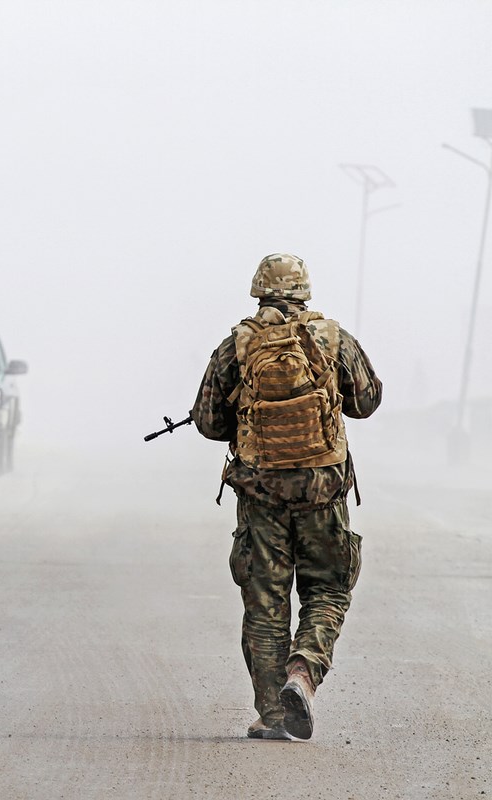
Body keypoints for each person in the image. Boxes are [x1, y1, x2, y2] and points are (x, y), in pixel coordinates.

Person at [192, 254, 382, 741]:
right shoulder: (333, 338)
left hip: (261, 491)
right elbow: (366, 402)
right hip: (323, 488)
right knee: (328, 589)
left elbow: (210, 422)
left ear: (258, 290)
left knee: (265, 601)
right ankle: (303, 673)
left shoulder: (237, 345)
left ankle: (274, 716)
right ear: (305, 291)